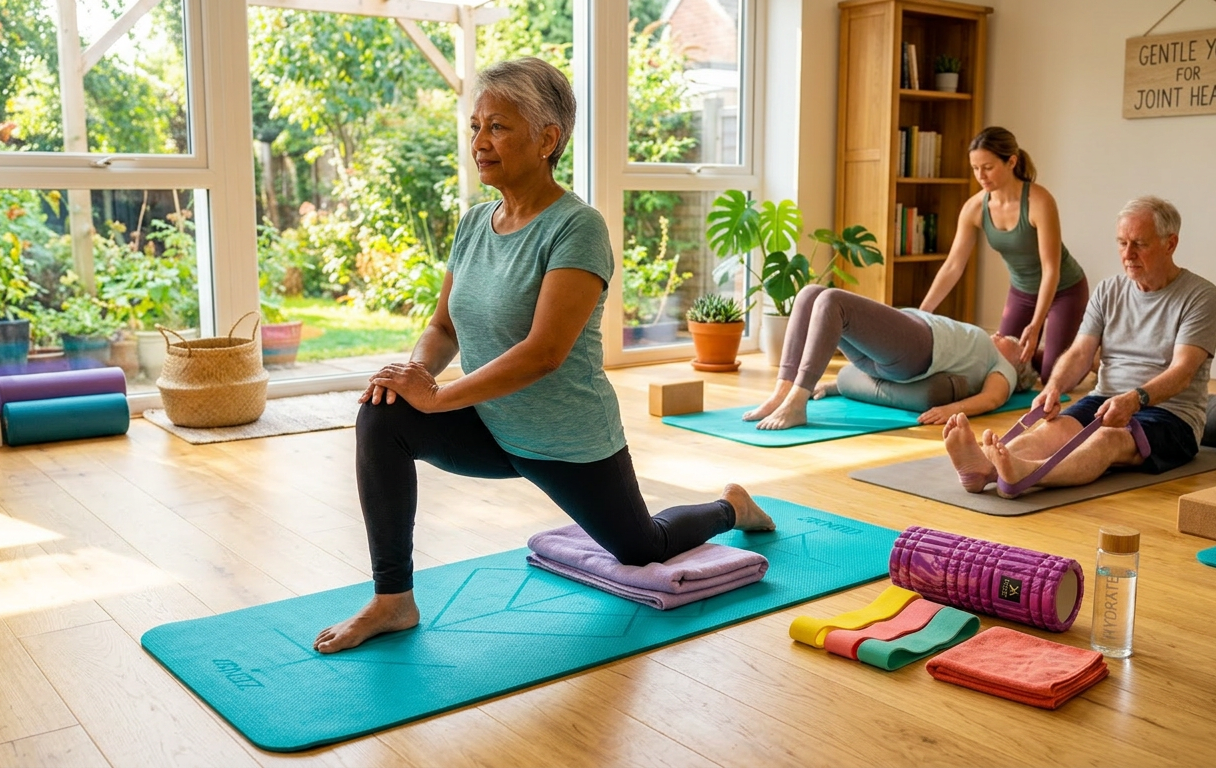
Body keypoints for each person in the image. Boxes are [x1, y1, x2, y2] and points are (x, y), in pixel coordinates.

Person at [313, 58, 775, 654]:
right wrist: (414, 375)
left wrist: (438, 396)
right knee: (382, 415)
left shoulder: (577, 227)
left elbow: (543, 353)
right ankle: (393, 600)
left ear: (547, 139)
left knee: (642, 548)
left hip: (566, 440)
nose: (480, 142)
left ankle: (731, 506)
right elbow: (443, 325)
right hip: (490, 425)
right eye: (475, 126)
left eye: (498, 127)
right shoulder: (474, 224)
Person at [943, 196, 1216, 496]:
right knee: (1055, 428)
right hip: (1105, 398)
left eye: (1140, 244)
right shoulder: (1109, 290)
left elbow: (1183, 372)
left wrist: (1134, 399)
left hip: (1171, 415)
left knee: (1107, 439)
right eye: (1122, 243)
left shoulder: (1200, 295)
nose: (1128, 254)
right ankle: (983, 469)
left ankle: (1025, 473)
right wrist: (1053, 387)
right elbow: (1079, 352)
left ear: (1170, 244)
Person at [919, 127, 1089, 384]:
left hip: (1064, 290)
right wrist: (924, 311)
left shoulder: (1039, 201)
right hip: (1022, 292)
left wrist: (1035, 325)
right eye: (975, 168)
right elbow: (954, 265)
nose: (981, 176)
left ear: (1011, 162)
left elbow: (1050, 269)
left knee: (1053, 378)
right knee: (1000, 363)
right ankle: (1060, 354)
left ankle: (1088, 357)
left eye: (988, 167)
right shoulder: (974, 208)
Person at [743, 285, 1037, 431]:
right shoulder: (991, 349)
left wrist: (952, 410)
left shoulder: (1005, 368)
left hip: (920, 347)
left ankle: (796, 403)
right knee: (810, 293)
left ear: (1018, 363)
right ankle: (782, 393)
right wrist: (834, 386)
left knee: (832, 301)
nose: (1002, 334)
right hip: (889, 351)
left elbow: (992, 399)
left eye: (1010, 341)